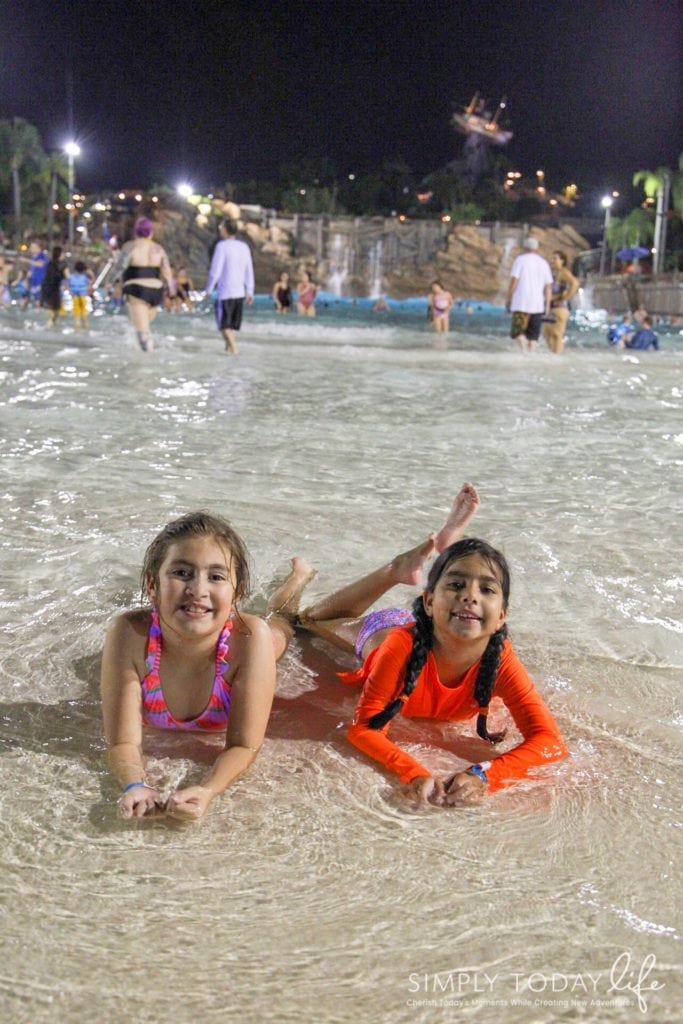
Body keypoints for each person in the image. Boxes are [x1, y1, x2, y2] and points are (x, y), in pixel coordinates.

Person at [284, 484, 568, 805]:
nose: (472, 595)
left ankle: (447, 548)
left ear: (502, 616)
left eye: (487, 589)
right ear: (429, 601)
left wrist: (484, 775)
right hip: (384, 629)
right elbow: (364, 729)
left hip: (439, 623)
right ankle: (395, 569)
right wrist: (412, 772)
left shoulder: (500, 658)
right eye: (458, 584)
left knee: (309, 619)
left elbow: (549, 742)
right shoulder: (398, 648)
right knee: (306, 621)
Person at [101, 511, 303, 821]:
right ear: (152, 584)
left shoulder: (249, 642)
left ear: (237, 592)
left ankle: (295, 583)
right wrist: (135, 785)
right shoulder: (129, 634)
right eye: (182, 573)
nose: (198, 590)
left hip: (244, 642)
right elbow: (123, 741)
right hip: (171, 636)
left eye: (217, 577)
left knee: (283, 623)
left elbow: (243, 745)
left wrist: (208, 790)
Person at [121, 216, 176, 351]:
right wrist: (171, 291)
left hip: (137, 290)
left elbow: (120, 267)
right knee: (144, 329)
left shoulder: (130, 246)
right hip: (156, 291)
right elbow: (167, 271)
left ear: (136, 231)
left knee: (142, 333)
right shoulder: (159, 249)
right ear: (150, 232)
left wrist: (111, 283)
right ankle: (143, 358)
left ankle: (146, 367)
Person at [206, 219, 254, 354]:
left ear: (226, 229)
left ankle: (234, 349)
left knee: (224, 325)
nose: (220, 229)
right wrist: (249, 290)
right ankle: (229, 351)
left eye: (221, 227)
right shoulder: (244, 247)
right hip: (239, 292)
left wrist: (209, 288)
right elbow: (249, 270)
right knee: (231, 326)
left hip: (225, 292)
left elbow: (215, 270)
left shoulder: (222, 246)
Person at [505, 237, 553, 352]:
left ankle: (523, 352)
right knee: (533, 335)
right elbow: (548, 287)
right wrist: (547, 306)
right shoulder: (544, 263)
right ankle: (532, 354)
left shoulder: (520, 260)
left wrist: (509, 298)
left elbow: (514, 281)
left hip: (521, 303)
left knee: (518, 332)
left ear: (525, 248)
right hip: (537, 305)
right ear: (537, 249)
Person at [542, 251, 578, 355]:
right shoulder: (552, 273)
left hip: (560, 307)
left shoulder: (563, 272)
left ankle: (557, 355)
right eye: (552, 259)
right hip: (549, 307)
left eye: (555, 259)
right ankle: (552, 353)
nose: (552, 261)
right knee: (547, 333)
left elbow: (574, 283)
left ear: (562, 261)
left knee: (557, 334)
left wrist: (565, 298)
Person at [41, 246, 66, 326]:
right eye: (62, 253)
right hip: (51, 289)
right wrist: (62, 273)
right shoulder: (53, 264)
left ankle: (52, 323)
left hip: (53, 289)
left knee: (56, 309)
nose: (64, 255)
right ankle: (49, 324)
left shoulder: (56, 264)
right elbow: (54, 277)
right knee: (53, 309)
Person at [68, 260, 93, 329]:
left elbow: (68, 286)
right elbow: (91, 283)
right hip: (82, 296)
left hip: (75, 297)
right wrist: (91, 273)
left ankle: (77, 330)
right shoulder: (84, 277)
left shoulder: (71, 276)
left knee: (77, 316)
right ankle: (85, 327)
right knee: (84, 314)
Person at [26, 241, 48, 309]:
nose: (30, 248)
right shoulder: (33, 257)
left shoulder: (41, 256)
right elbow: (31, 270)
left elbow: (40, 264)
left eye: (32, 247)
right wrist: (27, 279)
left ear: (38, 248)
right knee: (33, 299)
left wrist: (26, 260)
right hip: (33, 281)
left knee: (39, 299)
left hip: (40, 281)